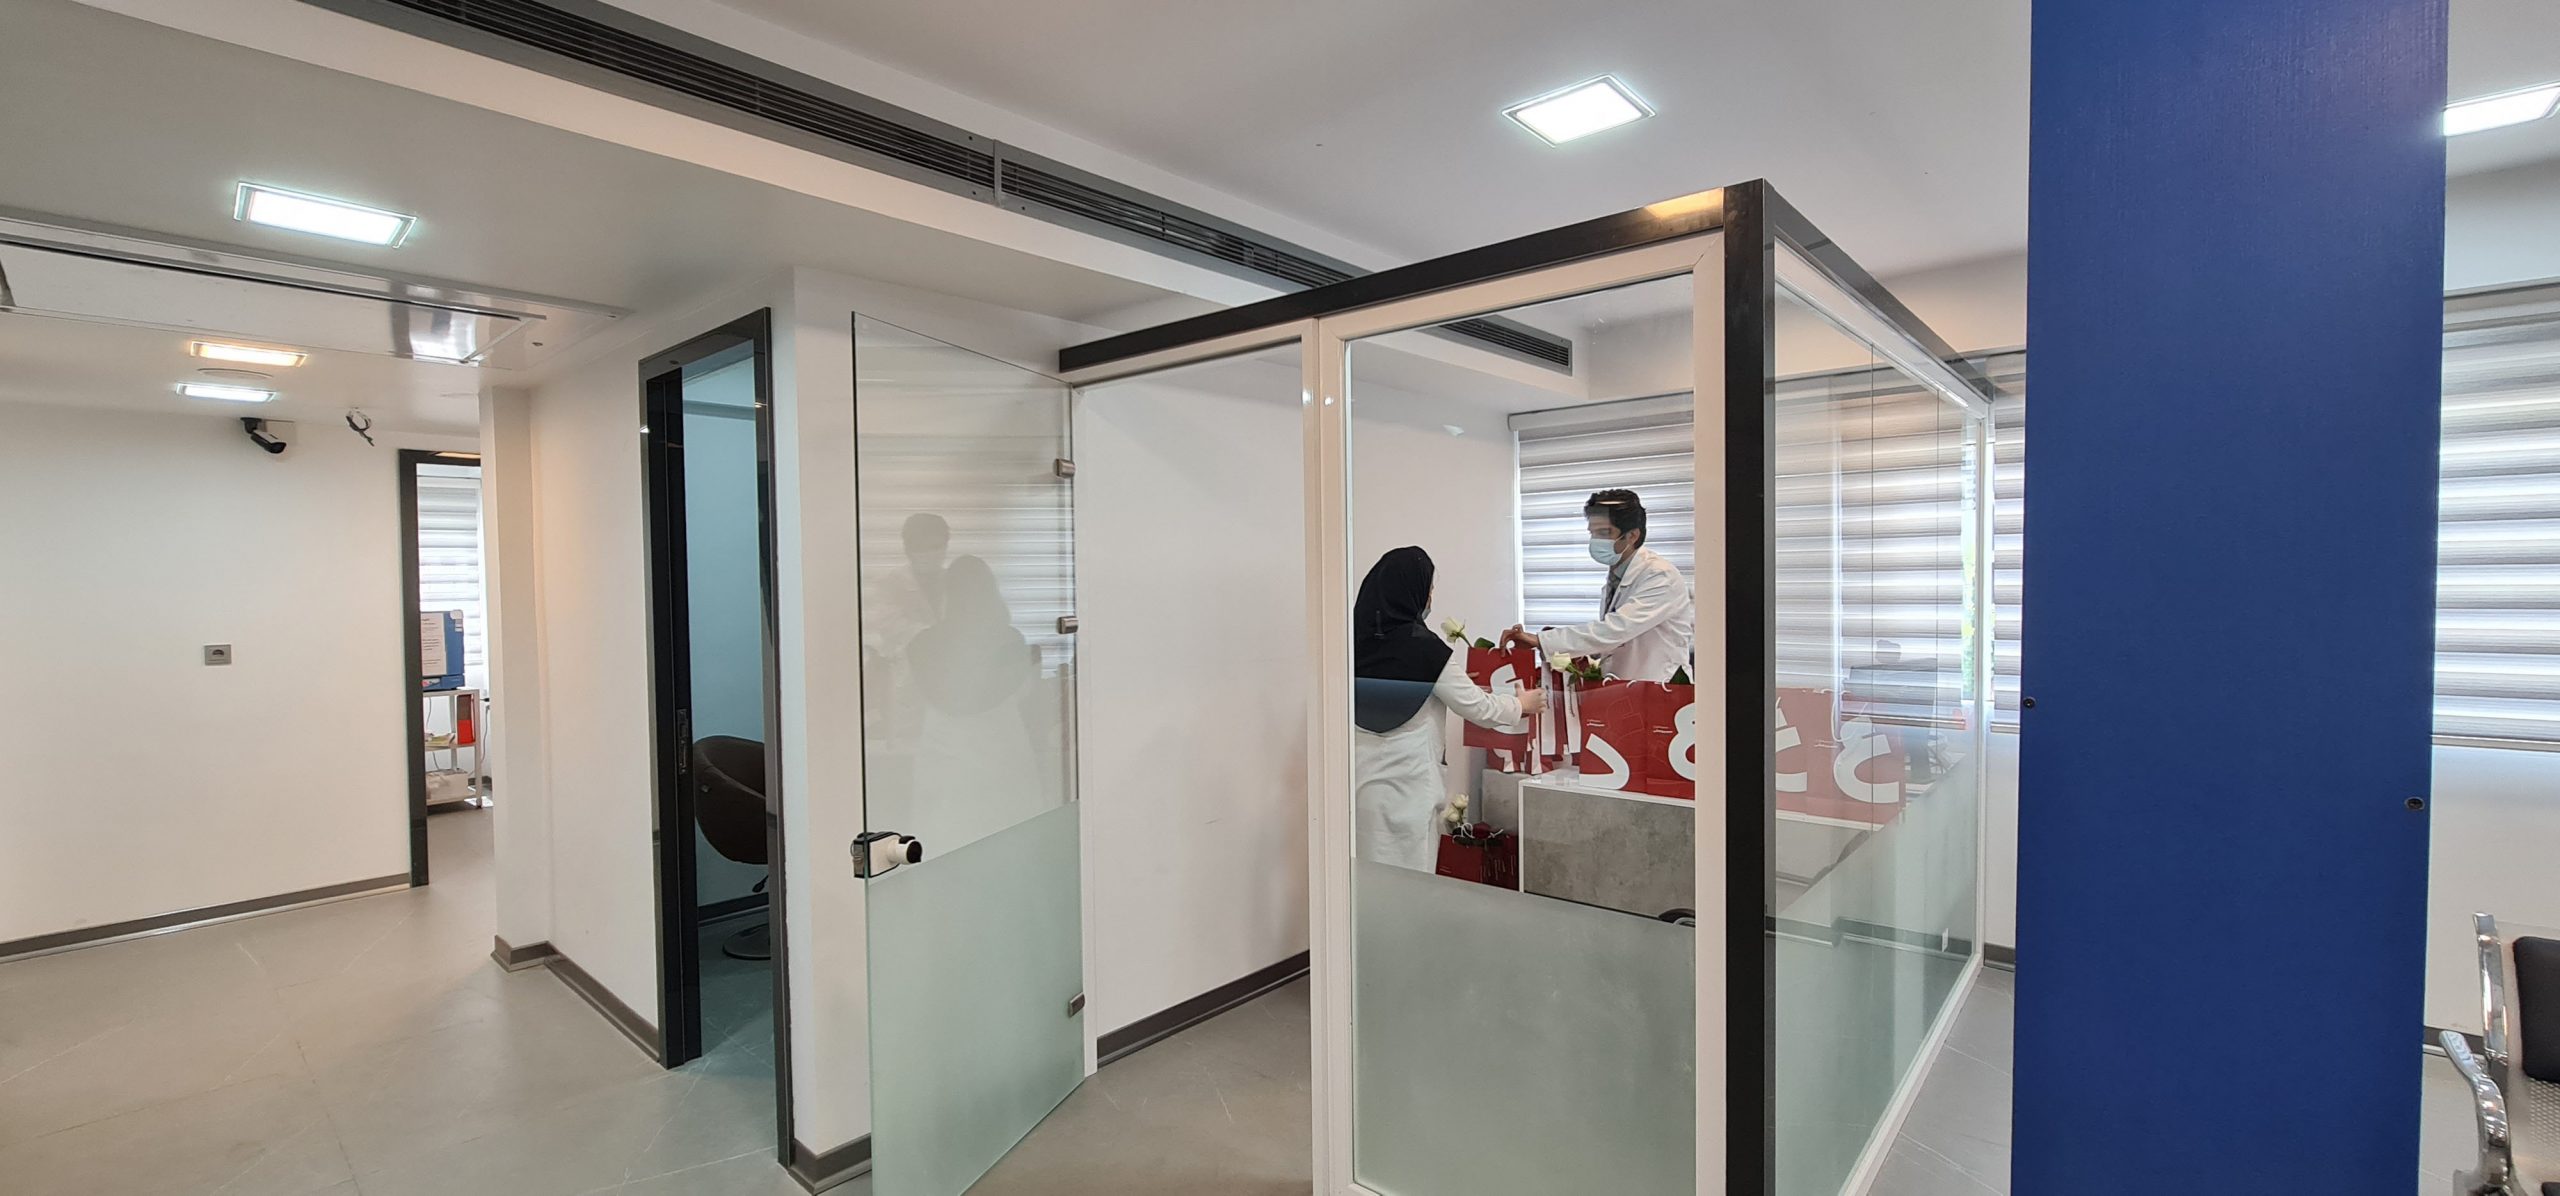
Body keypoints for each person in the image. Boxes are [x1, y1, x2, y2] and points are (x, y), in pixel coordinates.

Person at [1353, 546, 1547, 871]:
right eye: (1429, 589)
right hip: (1408, 791)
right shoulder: (1424, 649)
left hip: (1361, 789)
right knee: (1408, 884)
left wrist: (1452, 682)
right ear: (1413, 591)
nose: (1430, 598)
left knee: (1364, 879)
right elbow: (1480, 709)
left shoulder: (1352, 642)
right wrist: (1521, 704)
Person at [1501, 489, 1694, 683]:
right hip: (1625, 687)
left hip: (1659, 688)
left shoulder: (1660, 575)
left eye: (1604, 533)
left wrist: (1542, 641)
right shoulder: (1617, 576)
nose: (1596, 541)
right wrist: (1558, 641)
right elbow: (1612, 641)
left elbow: (1616, 630)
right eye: (1592, 533)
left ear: (1632, 535)